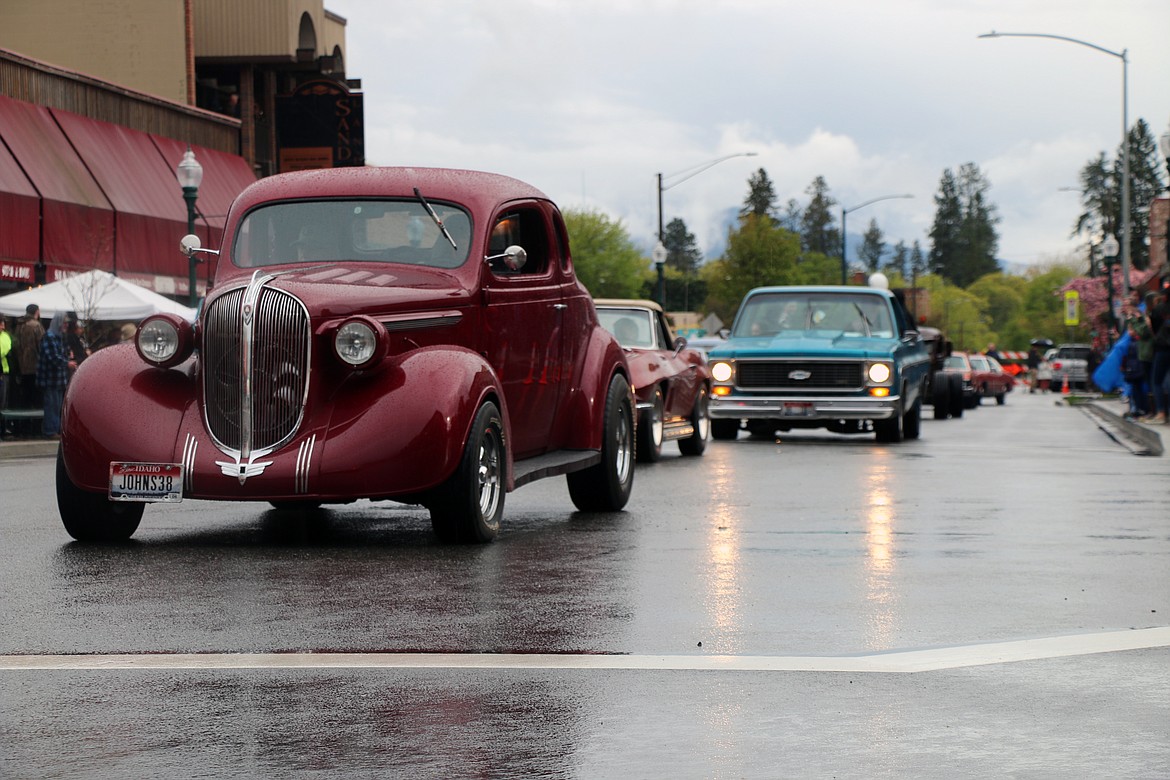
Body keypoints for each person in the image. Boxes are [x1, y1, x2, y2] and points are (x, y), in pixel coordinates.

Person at [36, 311, 75, 439]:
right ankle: (50, 431)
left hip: (59, 379)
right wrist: (67, 363)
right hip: (50, 379)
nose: (66, 325)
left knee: (58, 406)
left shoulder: (60, 336)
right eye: (64, 323)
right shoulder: (50, 336)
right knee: (51, 406)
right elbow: (52, 357)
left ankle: (56, 430)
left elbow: (64, 353)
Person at [1148, 290, 1170, 425]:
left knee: (1157, 381)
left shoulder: (1159, 309)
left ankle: (1161, 412)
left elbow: (1153, 329)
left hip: (1162, 348)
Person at [0, 318, 11, 439]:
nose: (3, 327)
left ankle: (3, 430)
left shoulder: (5, 336)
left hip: (4, 372)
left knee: (3, 403)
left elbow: (5, 348)